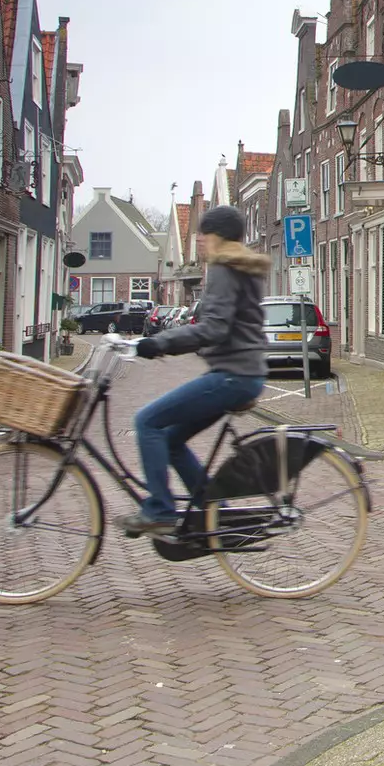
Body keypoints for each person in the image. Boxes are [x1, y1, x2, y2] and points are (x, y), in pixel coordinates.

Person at [114, 204, 270, 536]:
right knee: (170, 440)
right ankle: (216, 514)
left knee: (147, 421)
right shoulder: (238, 267)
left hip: (233, 376)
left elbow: (213, 328)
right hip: (240, 373)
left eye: (204, 233)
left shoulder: (224, 269)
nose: (198, 239)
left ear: (218, 236)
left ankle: (160, 510)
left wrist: (160, 342)